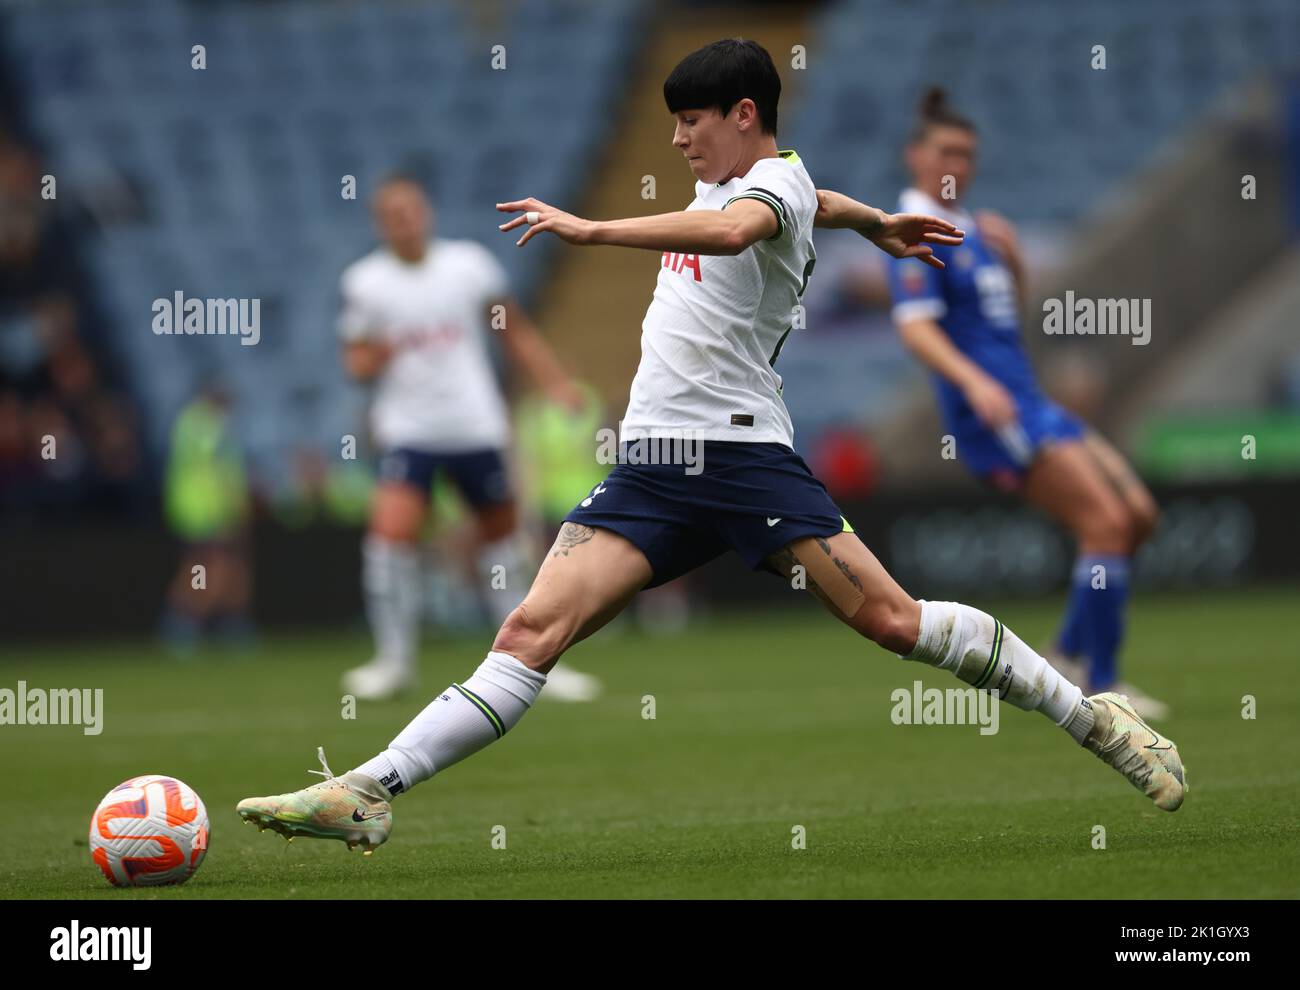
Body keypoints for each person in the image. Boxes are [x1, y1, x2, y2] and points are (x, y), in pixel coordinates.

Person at [238, 40, 1184, 853]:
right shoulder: (766, 182)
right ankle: (367, 790)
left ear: (743, 114)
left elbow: (741, 231)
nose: (680, 140)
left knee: (896, 625)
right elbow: (810, 197)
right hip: (654, 467)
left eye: (692, 121)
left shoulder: (760, 189)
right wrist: (874, 221)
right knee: (529, 632)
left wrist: (596, 226)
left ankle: (1093, 718)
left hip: (740, 462)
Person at [885, 87, 1165, 716]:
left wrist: (1010, 266)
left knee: (1139, 514)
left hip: (1032, 401)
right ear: (916, 157)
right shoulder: (916, 232)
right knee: (1107, 525)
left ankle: (1066, 652)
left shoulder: (979, 231)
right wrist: (974, 383)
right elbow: (915, 326)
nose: (959, 164)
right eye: (947, 151)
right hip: (999, 416)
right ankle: (1102, 682)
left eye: (968, 153)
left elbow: (998, 324)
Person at [337, 174, 600, 702]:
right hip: (409, 431)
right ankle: (394, 661)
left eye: (410, 210)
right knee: (390, 538)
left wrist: (555, 384)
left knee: (503, 546)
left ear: (426, 213)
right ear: (380, 224)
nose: (404, 221)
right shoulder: (365, 283)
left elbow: (514, 330)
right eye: (392, 214)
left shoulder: (468, 266)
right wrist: (378, 355)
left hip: (475, 426)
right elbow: (356, 363)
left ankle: (532, 661)